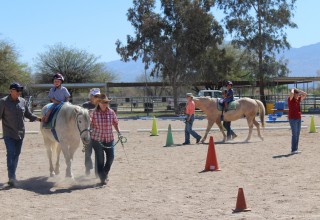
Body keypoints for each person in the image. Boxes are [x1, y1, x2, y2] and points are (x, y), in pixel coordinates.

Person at [0, 82, 42, 187]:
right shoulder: (3, 102)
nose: (19, 92)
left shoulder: (23, 101)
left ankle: (12, 175)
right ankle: (12, 177)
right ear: (11, 91)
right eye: (17, 90)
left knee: (16, 154)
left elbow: (28, 114)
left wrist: (39, 119)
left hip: (20, 133)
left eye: (20, 91)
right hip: (8, 133)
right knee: (11, 153)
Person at [90, 94, 121, 186]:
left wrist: (119, 133)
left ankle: (104, 173)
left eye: (106, 102)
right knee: (100, 159)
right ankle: (102, 177)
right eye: (103, 102)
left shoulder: (111, 112)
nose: (104, 104)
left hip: (109, 138)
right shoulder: (93, 113)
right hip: (97, 139)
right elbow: (90, 124)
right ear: (98, 103)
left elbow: (115, 123)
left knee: (111, 158)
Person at [82, 88, 101, 176]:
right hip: (88, 133)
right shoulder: (85, 105)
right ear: (91, 96)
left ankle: (97, 171)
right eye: (95, 96)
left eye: (98, 96)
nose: (97, 97)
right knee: (88, 153)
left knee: (99, 153)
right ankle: (88, 169)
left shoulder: (101, 105)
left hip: (98, 133)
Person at [288, 88, 307, 154]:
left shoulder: (298, 99)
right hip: (293, 119)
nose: (298, 95)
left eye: (298, 94)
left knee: (297, 134)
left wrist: (298, 90)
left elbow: (305, 94)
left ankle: (295, 149)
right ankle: (293, 149)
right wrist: (293, 89)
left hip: (298, 118)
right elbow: (291, 94)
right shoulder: (290, 99)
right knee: (294, 134)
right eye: (297, 94)